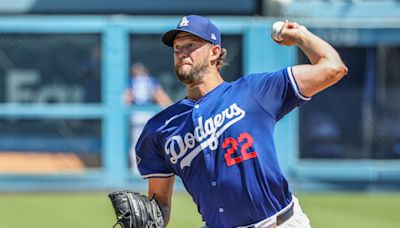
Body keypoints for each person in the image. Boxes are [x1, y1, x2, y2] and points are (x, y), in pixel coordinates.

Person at [135, 15, 348, 227]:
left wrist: (301, 35)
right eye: (177, 48)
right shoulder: (160, 128)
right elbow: (160, 204)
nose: (181, 53)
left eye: (190, 45)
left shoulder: (254, 91)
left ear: (214, 52)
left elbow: (333, 68)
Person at [124, 62, 172, 174]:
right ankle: (151, 167)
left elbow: (127, 99)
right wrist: (171, 108)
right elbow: (160, 96)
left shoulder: (132, 81)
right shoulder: (150, 80)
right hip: (148, 113)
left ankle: (136, 170)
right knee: (152, 142)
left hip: (136, 114)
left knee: (136, 142)